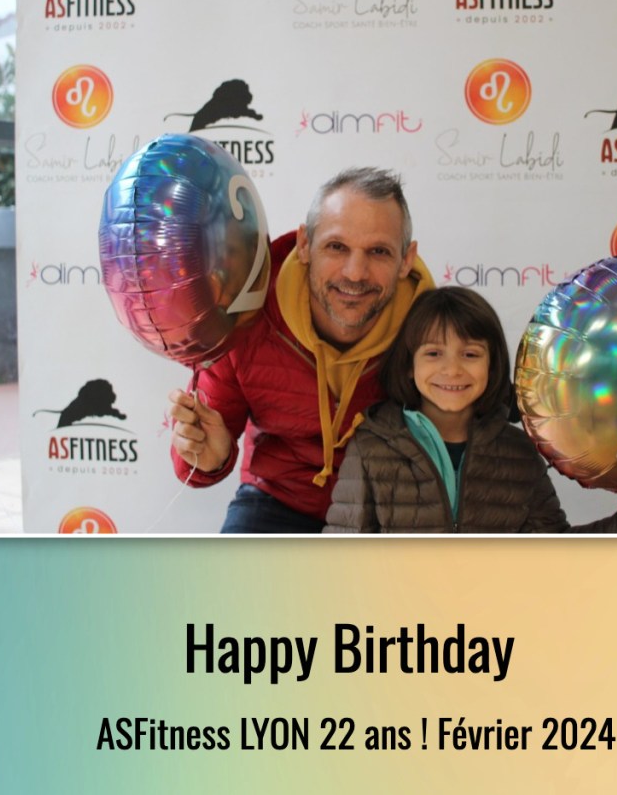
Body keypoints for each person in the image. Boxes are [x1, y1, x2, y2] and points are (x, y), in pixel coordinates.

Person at [168, 167, 435, 533]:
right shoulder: (246, 313)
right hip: (277, 497)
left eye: (378, 251)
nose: (355, 273)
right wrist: (208, 456)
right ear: (305, 244)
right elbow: (202, 452)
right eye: (336, 247)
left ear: (406, 259)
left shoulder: (433, 331)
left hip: (386, 508)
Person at [324, 287, 617, 535]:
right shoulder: (372, 447)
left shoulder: (519, 452)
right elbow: (343, 560)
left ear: (492, 364)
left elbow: (552, 551)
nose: (452, 370)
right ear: (409, 366)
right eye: (433, 354)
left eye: (470, 354)